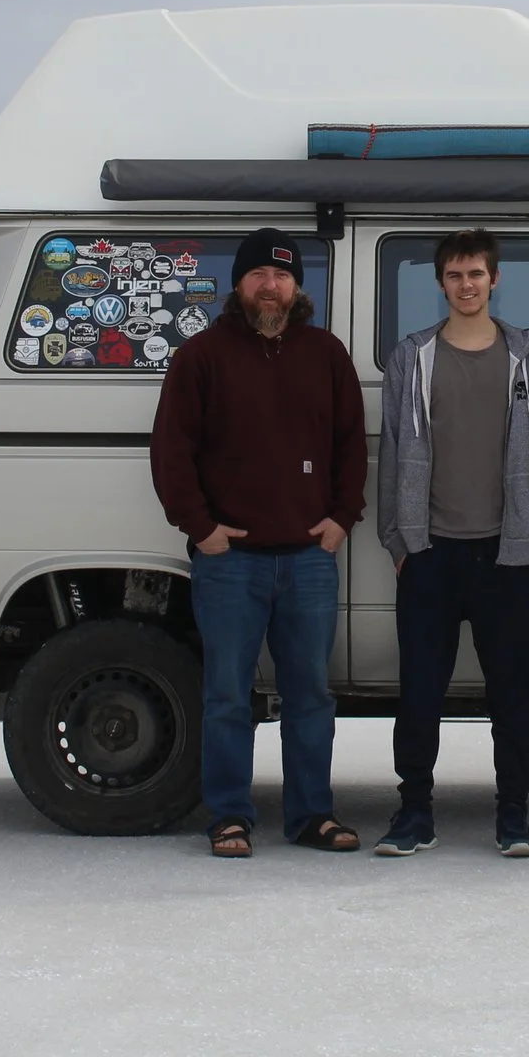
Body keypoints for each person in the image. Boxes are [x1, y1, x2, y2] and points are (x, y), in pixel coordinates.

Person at [150, 227, 367, 859]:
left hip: (309, 559)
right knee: (226, 697)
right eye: (258, 276)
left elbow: (352, 445)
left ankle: (311, 816)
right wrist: (201, 527)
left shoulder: (326, 355)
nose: (270, 286)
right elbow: (171, 452)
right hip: (230, 563)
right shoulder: (201, 357)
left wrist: (342, 517)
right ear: (239, 284)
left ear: (297, 285)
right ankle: (229, 816)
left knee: (310, 696)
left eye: (281, 275)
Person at [372, 229, 529, 859]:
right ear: (440, 283)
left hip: (507, 556)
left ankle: (514, 815)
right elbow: (394, 449)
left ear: (494, 278)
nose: (466, 285)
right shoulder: (413, 357)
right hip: (429, 554)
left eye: (476, 274)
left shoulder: (526, 359)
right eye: (455, 275)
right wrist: (400, 542)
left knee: (514, 691)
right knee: (420, 690)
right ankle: (414, 812)